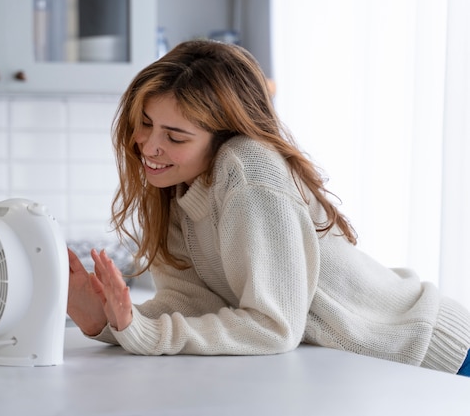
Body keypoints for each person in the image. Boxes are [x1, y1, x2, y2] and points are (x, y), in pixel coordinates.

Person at [66, 39, 470, 376]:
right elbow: (191, 305)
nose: (149, 146)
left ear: (222, 134)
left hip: (434, 353)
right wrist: (107, 322)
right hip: (374, 367)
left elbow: (272, 327)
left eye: (175, 136)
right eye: (146, 122)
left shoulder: (248, 169)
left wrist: (141, 333)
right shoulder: (177, 186)